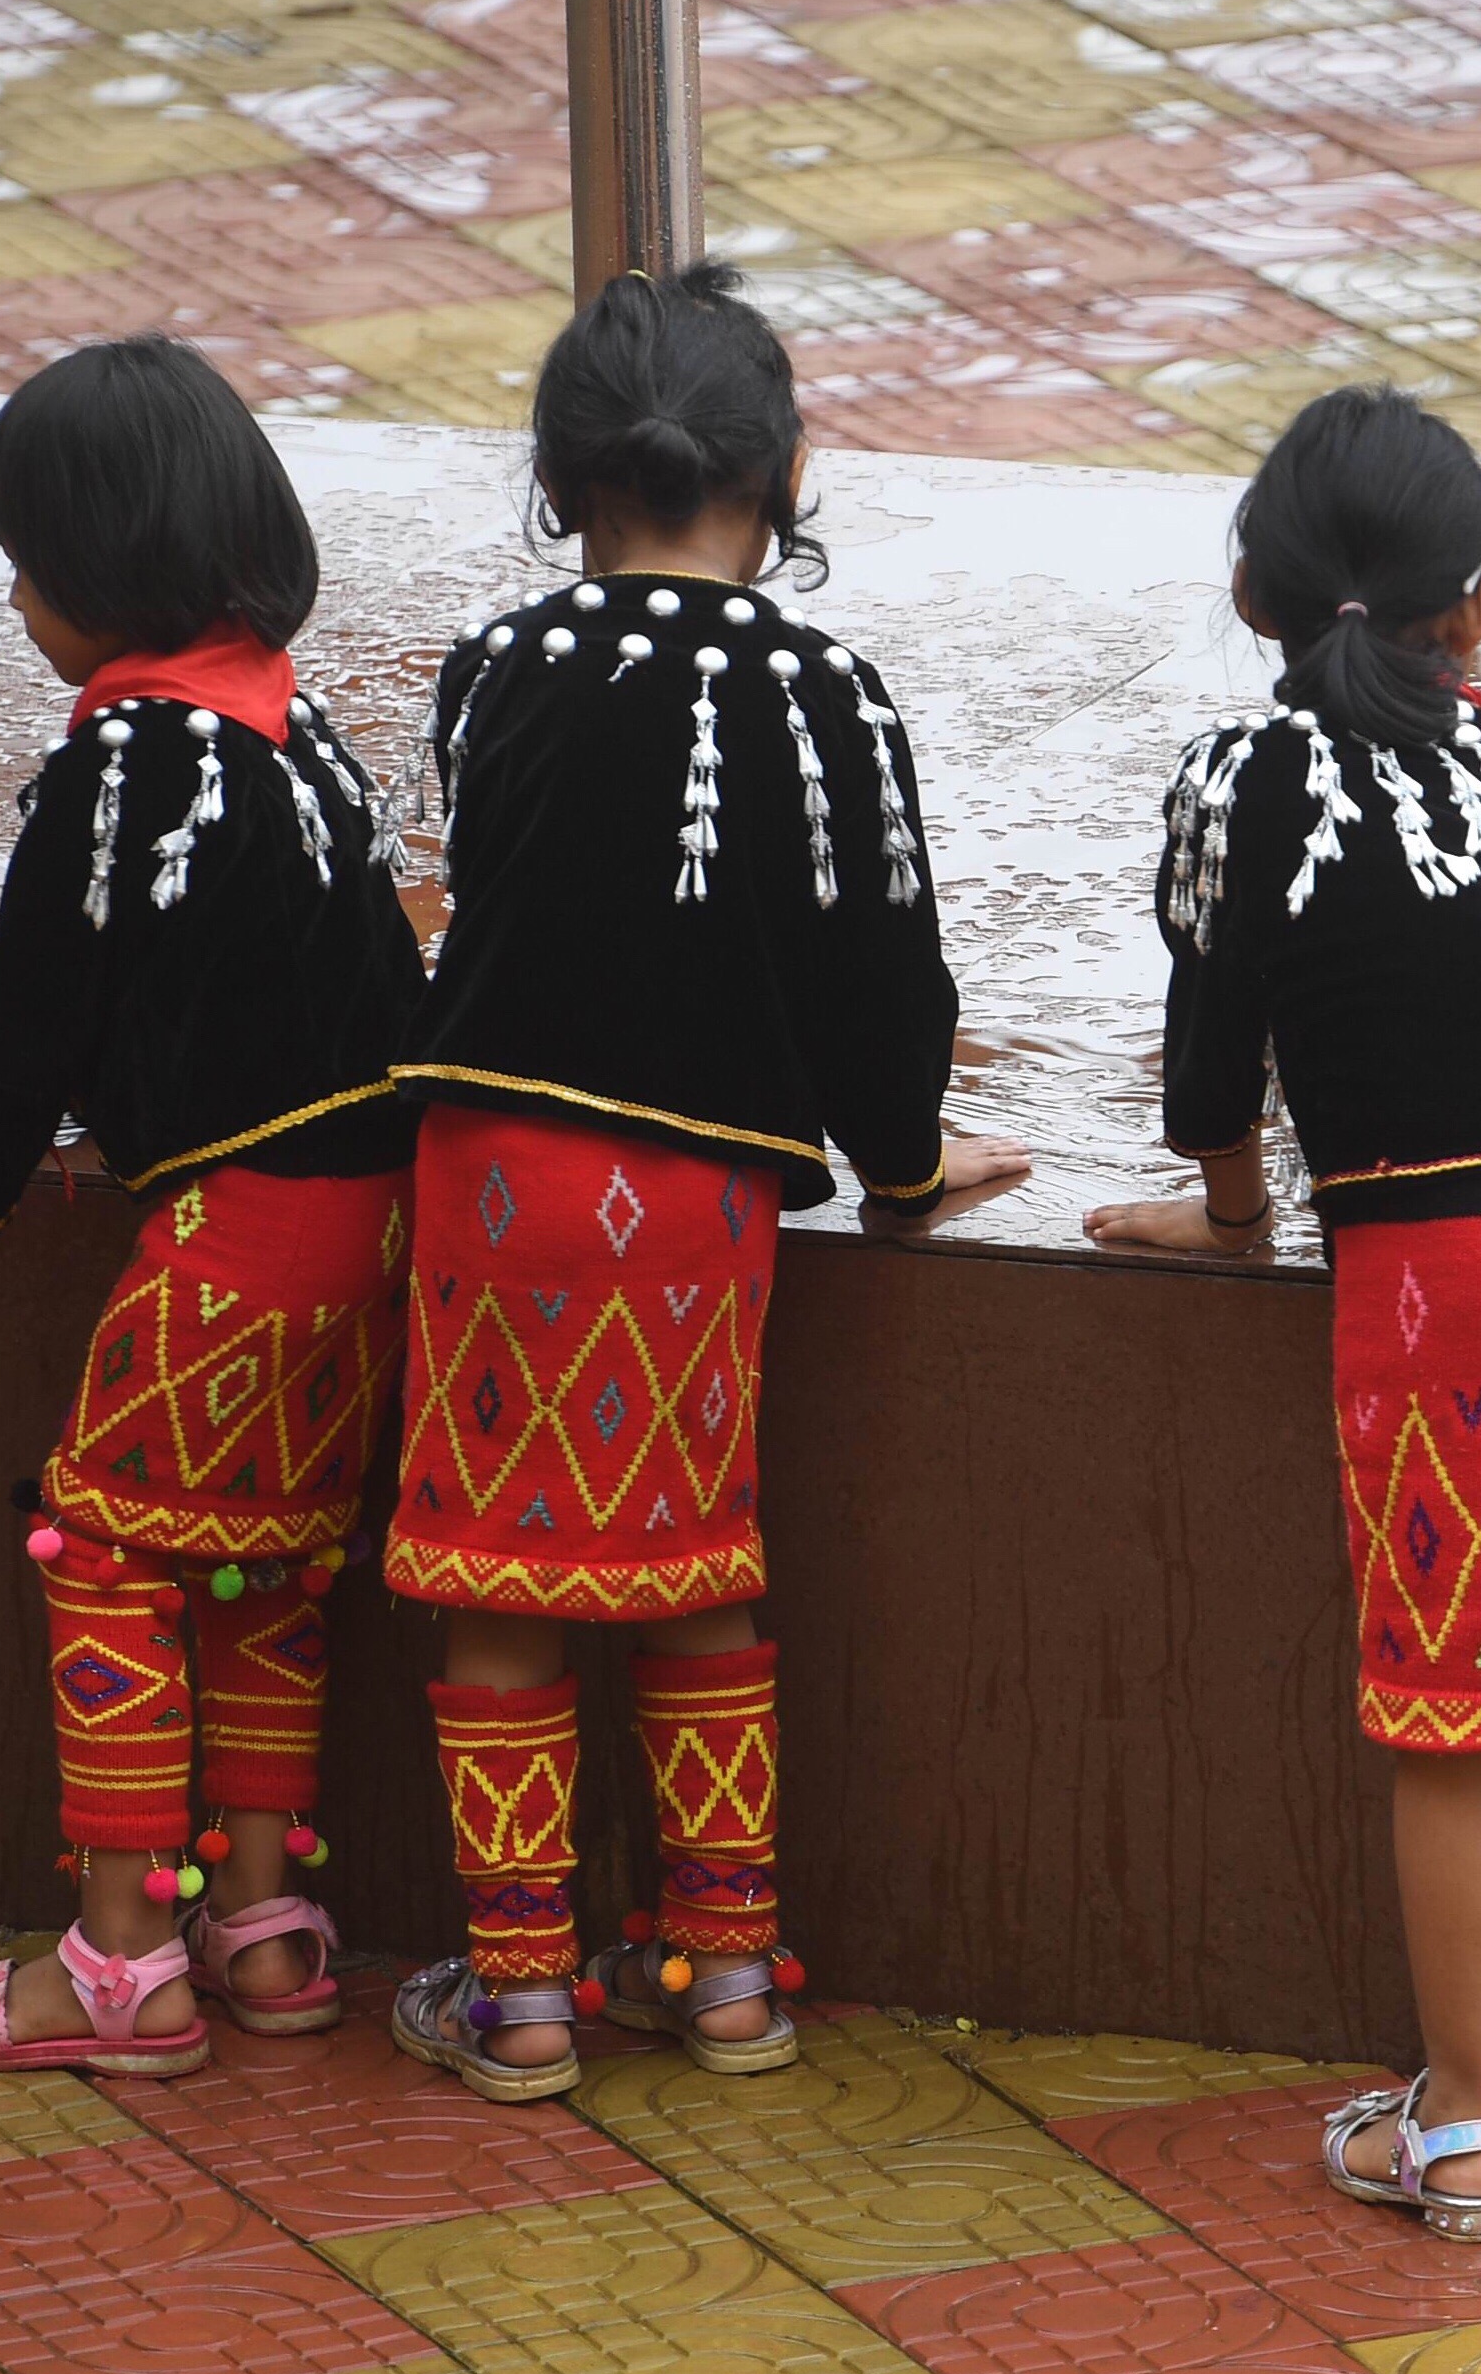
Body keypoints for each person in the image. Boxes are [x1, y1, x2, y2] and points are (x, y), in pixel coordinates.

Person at [1088, 385, 1481, 2241]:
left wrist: (1222, 1218)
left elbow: (1214, 1068)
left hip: (1439, 1259)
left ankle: (1459, 2121)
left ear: (1250, 592)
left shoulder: (1239, 776)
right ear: (1476, 601)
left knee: (1456, 1709)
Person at [383, 264, 1025, 2100]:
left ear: (562, 477)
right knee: (695, 1563)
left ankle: (517, 2001)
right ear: (786, 470)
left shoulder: (496, 663)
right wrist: (904, 1159)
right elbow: (883, 980)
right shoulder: (828, 690)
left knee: (494, 1576)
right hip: (693, 1207)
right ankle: (728, 1973)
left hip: (489, 1183)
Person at [0, 338, 425, 2080]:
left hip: (236, 1246)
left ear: (97, 571)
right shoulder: (302, 739)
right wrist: (53, 1085)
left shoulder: (125, 763)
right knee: (268, 1569)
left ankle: (123, 1955)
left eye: (24, 566)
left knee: (114, 1553)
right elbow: (247, 994)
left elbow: (33, 995)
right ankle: (266, 1920)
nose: (13, 601)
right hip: (365, 1233)